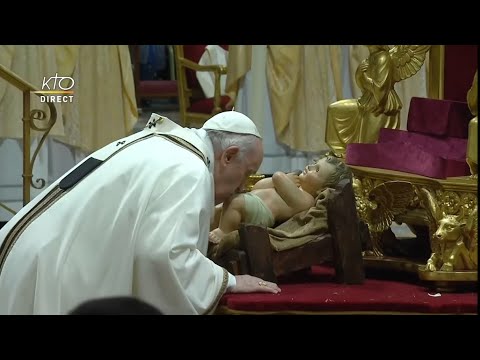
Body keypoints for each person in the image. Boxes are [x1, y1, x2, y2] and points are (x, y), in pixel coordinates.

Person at [0, 111, 281, 315]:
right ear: (228, 155)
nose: (243, 187)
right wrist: (229, 281)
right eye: (247, 173)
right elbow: (163, 255)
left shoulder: (167, 144)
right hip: (51, 272)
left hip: (31, 254)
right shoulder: (189, 170)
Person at [209, 155, 351, 244]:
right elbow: (258, 186)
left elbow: (278, 178)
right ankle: (209, 233)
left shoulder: (306, 199)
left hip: (262, 215)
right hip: (251, 202)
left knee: (234, 202)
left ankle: (223, 232)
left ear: (321, 189)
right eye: (314, 163)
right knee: (219, 209)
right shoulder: (295, 185)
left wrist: (282, 177)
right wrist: (277, 180)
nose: (310, 167)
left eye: (317, 170)